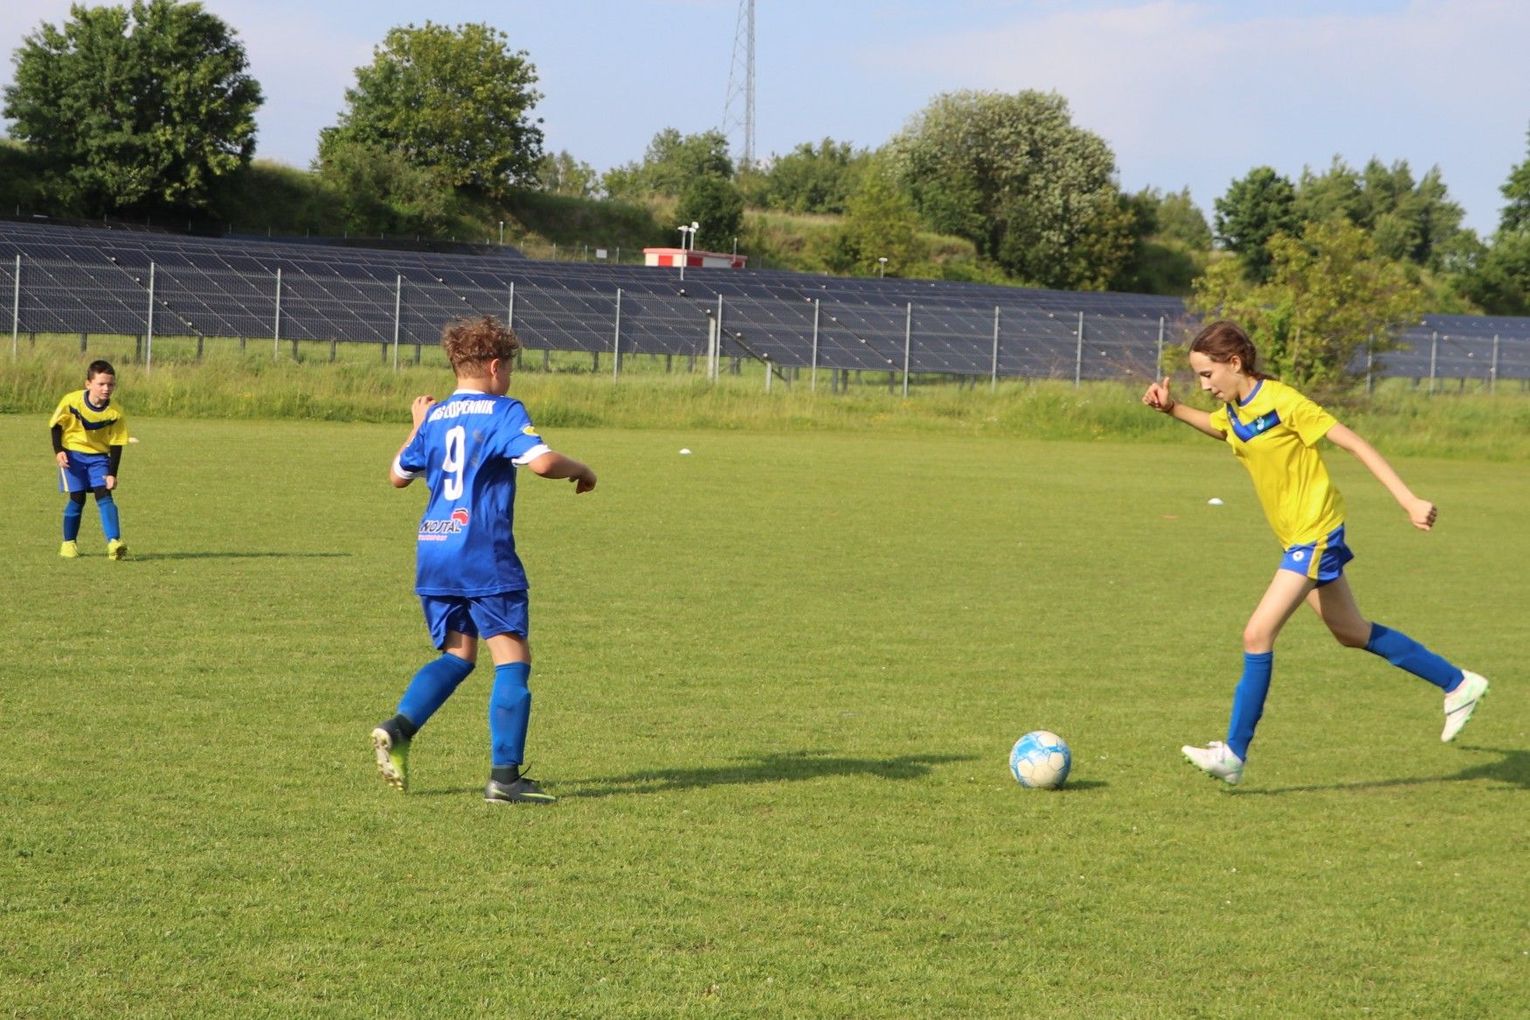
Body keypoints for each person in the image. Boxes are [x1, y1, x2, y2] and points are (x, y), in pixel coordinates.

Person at [1142, 320, 1488, 785]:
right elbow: (1222, 429)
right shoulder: (1236, 409)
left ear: (1235, 363)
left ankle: (1233, 753)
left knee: (1257, 634)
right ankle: (1458, 683)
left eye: (1207, 374)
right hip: (1296, 538)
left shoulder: (1284, 401)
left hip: (1315, 532)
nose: (1203, 385)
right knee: (1350, 631)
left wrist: (1408, 500)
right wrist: (1172, 409)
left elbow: (1354, 442)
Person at [370, 316, 597, 804]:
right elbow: (541, 462)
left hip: (435, 551)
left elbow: (397, 475)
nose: (509, 378)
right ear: (495, 367)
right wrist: (582, 468)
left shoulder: (435, 417)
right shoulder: (503, 410)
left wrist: (417, 426)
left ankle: (400, 727)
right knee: (512, 659)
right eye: (509, 369)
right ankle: (505, 778)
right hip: (482, 555)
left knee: (458, 655)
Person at [49, 359, 130, 560]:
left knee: (105, 496)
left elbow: (117, 443)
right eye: (101, 384)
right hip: (72, 456)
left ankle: (114, 543)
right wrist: (58, 451)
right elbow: (56, 425)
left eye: (110, 384)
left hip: (99, 458)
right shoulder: (71, 401)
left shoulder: (115, 412)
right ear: (88, 384)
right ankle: (69, 543)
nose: (106, 388)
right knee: (77, 498)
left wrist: (112, 474)